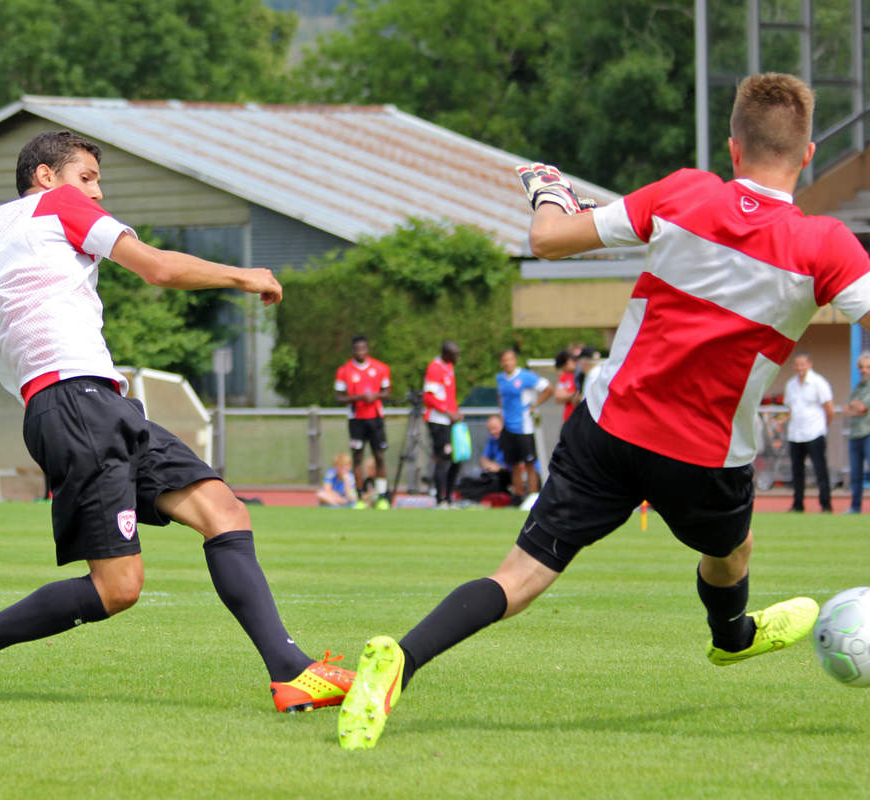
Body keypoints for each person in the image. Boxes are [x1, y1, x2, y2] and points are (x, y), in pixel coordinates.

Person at [338, 73, 870, 749]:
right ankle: (731, 636)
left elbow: (550, 239)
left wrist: (551, 194)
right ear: (810, 155)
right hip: (704, 457)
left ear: (732, 149)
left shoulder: (684, 193)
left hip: (607, 429)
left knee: (520, 576)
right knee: (731, 550)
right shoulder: (825, 245)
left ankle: (400, 663)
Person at [0, 130, 353, 711]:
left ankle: (291, 672)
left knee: (222, 510)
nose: (97, 194)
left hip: (93, 405)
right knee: (117, 588)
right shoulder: (56, 205)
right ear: (46, 176)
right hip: (76, 404)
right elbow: (156, 269)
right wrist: (243, 275)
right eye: (88, 177)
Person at [334, 335, 392, 509]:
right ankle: (360, 498)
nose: (361, 352)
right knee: (357, 457)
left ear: (367, 349)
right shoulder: (344, 371)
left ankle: (382, 497)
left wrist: (374, 396)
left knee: (379, 457)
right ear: (353, 350)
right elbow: (338, 397)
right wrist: (358, 397)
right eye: (357, 349)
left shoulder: (380, 368)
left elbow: (387, 392)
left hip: (375, 418)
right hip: (356, 419)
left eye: (363, 349)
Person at [496, 348, 554, 497]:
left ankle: (533, 496)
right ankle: (518, 495)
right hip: (508, 427)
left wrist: (534, 405)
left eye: (510, 359)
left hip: (524, 427)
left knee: (529, 463)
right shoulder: (500, 379)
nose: (507, 363)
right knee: (513, 464)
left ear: (515, 361)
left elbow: (548, 388)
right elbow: (501, 398)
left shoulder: (525, 377)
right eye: (504, 360)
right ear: (501, 363)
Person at [783, 352, 834, 512]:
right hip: (795, 434)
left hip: (814, 432)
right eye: (796, 364)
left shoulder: (819, 382)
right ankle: (798, 504)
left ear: (809, 364)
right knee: (797, 471)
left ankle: (825, 505)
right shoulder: (790, 384)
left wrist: (823, 427)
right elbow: (790, 408)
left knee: (820, 470)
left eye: (802, 364)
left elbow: (829, 408)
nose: (799, 368)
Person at [422, 341, 462, 508]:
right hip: (438, 421)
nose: (458, 358)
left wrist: (456, 411)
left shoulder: (449, 367)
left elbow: (448, 395)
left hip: (450, 421)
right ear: (446, 354)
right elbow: (429, 397)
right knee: (443, 458)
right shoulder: (435, 368)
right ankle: (440, 499)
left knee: (456, 458)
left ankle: (450, 497)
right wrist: (448, 412)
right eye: (455, 354)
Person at [844, 352, 870, 514]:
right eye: (861, 367)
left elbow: (862, 408)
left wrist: (857, 407)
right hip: (855, 435)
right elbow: (847, 409)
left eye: (868, 367)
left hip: (868, 433)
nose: (864, 370)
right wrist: (856, 407)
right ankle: (855, 506)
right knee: (855, 474)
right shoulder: (858, 388)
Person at [553, 349, 578, 423]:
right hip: (570, 419)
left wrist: (568, 395)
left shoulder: (584, 374)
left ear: (568, 361)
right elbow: (558, 397)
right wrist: (575, 393)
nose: (562, 370)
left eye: (562, 367)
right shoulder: (565, 376)